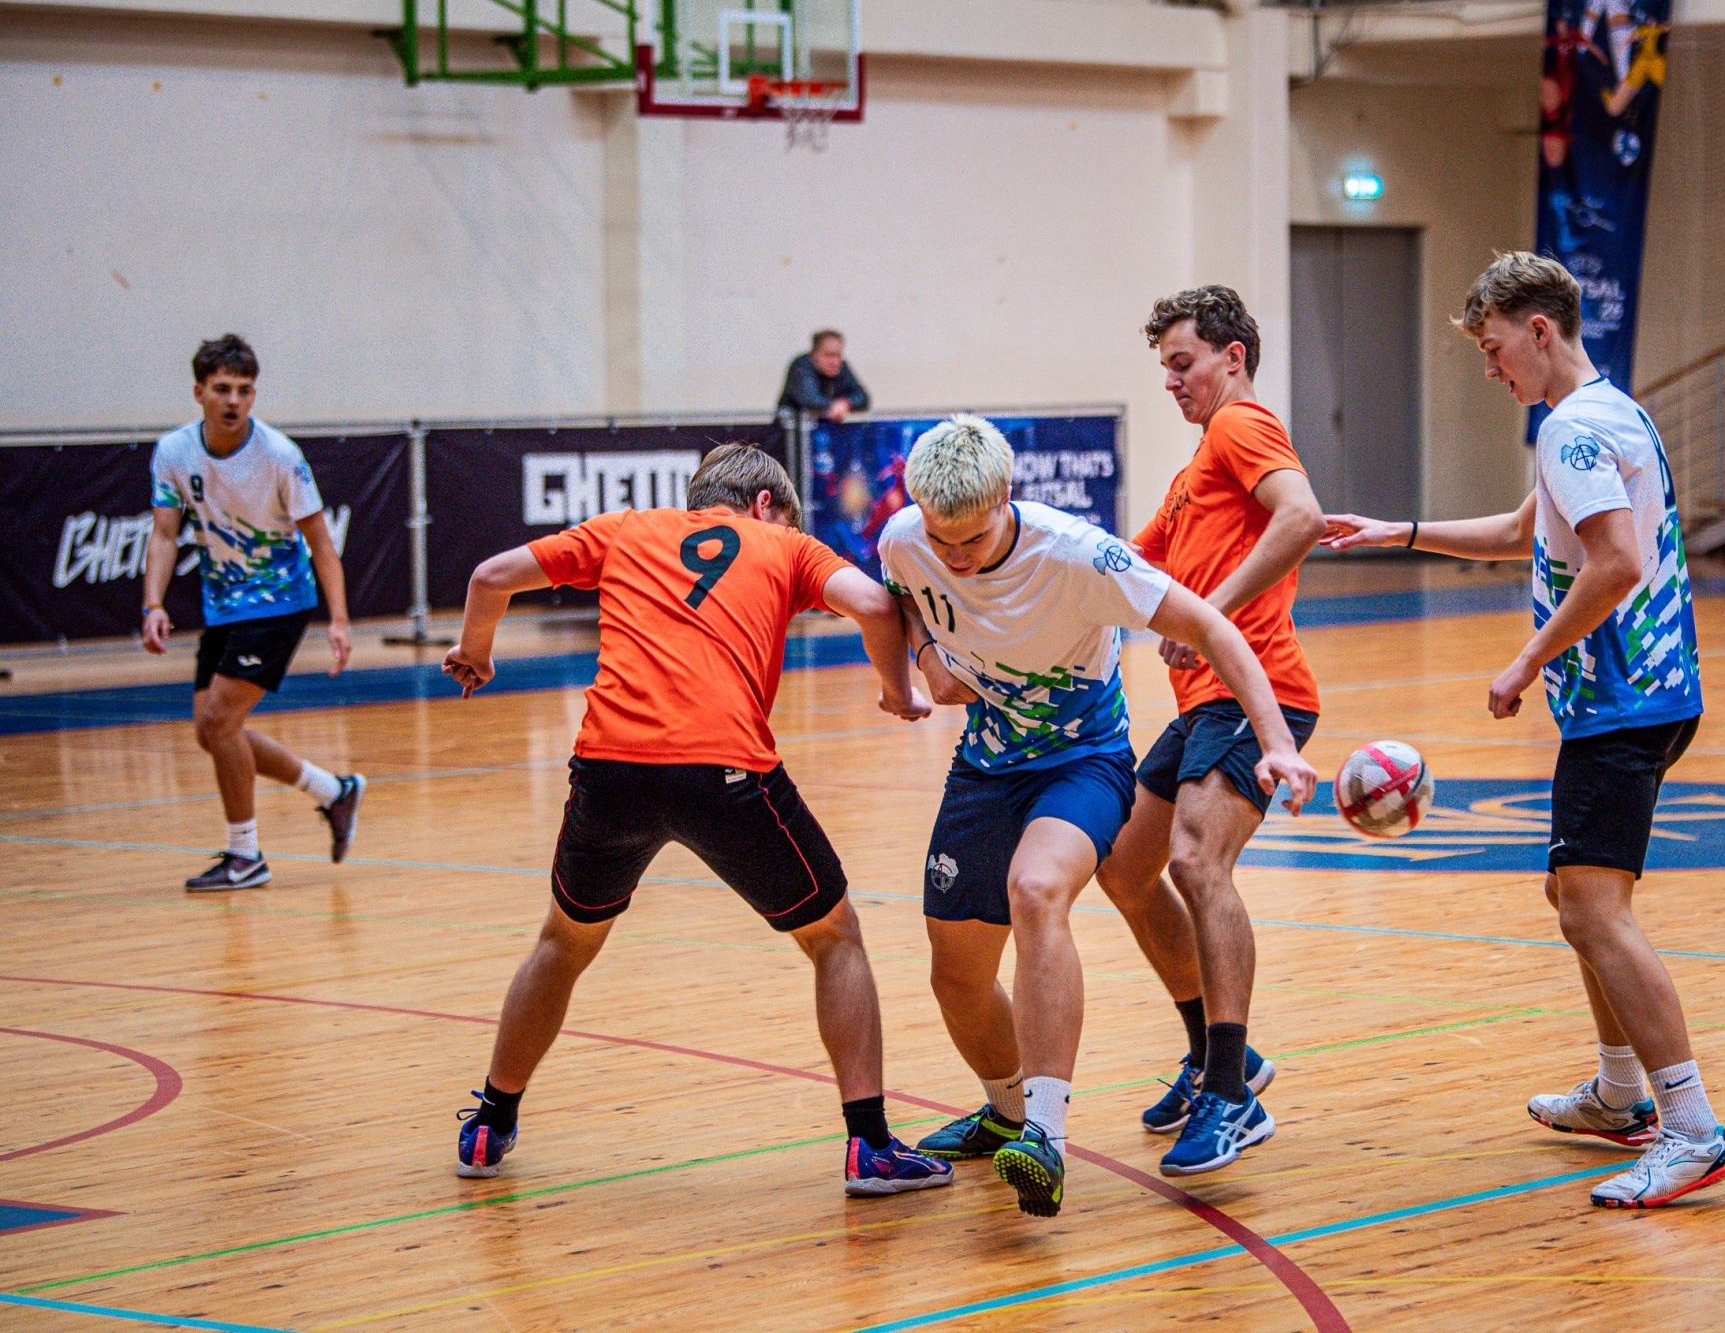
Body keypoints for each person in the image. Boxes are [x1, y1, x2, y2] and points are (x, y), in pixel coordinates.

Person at [1322, 252, 1725, 1210]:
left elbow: (1616, 562)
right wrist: (1401, 532)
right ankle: (1621, 1096)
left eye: (1494, 346)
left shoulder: (1571, 430)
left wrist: (1525, 661)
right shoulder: (1608, 414)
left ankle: (1692, 1129)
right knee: (1572, 894)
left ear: (1539, 331)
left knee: (1594, 911)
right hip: (1650, 696)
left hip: (1622, 702)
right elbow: (1527, 531)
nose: (1489, 366)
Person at [440, 443, 952, 1199]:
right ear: (766, 504)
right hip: (724, 772)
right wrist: (898, 693)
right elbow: (876, 604)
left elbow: (491, 577)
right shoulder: (786, 546)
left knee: (563, 943)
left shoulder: (625, 529)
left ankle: (489, 1124)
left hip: (609, 771)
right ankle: (870, 1146)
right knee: (834, 938)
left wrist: (475, 653)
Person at [884, 417, 1316, 1218]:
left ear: (1006, 498)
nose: (955, 556)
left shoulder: (1077, 555)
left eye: (972, 539)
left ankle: (1044, 1136)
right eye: (942, 540)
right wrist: (923, 663)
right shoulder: (905, 540)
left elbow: (1212, 625)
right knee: (956, 976)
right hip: (984, 766)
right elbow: (901, 594)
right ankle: (1006, 1111)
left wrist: (1278, 743)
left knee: (1037, 887)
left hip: (1082, 763)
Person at [1094, 287, 1327, 1179]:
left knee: (1197, 863)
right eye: (1164, 367)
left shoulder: (1241, 425)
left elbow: (1301, 517)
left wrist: (1212, 617)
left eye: (1182, 363)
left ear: (1233, 358)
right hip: (1203, 704)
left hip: (1260, 693)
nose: (1171, 381)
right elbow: (1126, 562)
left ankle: (1231, 1095)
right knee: (1125, 867)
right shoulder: (1198, 468)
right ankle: (1216, 1056)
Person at [142, 334, 364, 892]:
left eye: (244, 390)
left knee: (220, 722)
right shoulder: (173, 453)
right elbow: (164, 534)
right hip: (223, 604)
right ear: (199, 392)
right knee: (211, 731)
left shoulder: (280, 456)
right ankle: (333, 791)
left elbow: (321, 542)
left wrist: (339, 620)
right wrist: (153, 603)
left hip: (278, 601)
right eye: (222, 389)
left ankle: (245, 855)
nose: (233, 400)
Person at [778, 329, 870, 423]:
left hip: (824, 428)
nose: (834, 362)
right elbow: (811, 401)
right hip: (793, 429)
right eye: (829, 355)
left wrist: (846, 403)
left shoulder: (841, 367)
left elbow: (862, 397)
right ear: (814, 354)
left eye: (838, 355)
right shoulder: (801, 367)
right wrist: (836, 406)